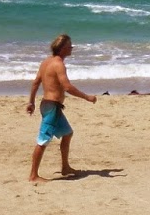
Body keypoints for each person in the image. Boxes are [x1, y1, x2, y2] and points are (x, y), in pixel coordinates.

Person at [26, 33, 97, 182]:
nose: (72, 48)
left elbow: (35, 83)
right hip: (52, 107)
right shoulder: (59, 64)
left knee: (68, 133)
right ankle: (33, 175)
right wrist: (87, 97)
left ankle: (65, 167)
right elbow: (67, 87)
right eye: (69, 45)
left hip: (50, 106)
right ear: (63, 48)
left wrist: (31, 102)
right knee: (43, 140)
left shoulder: (46, 62)